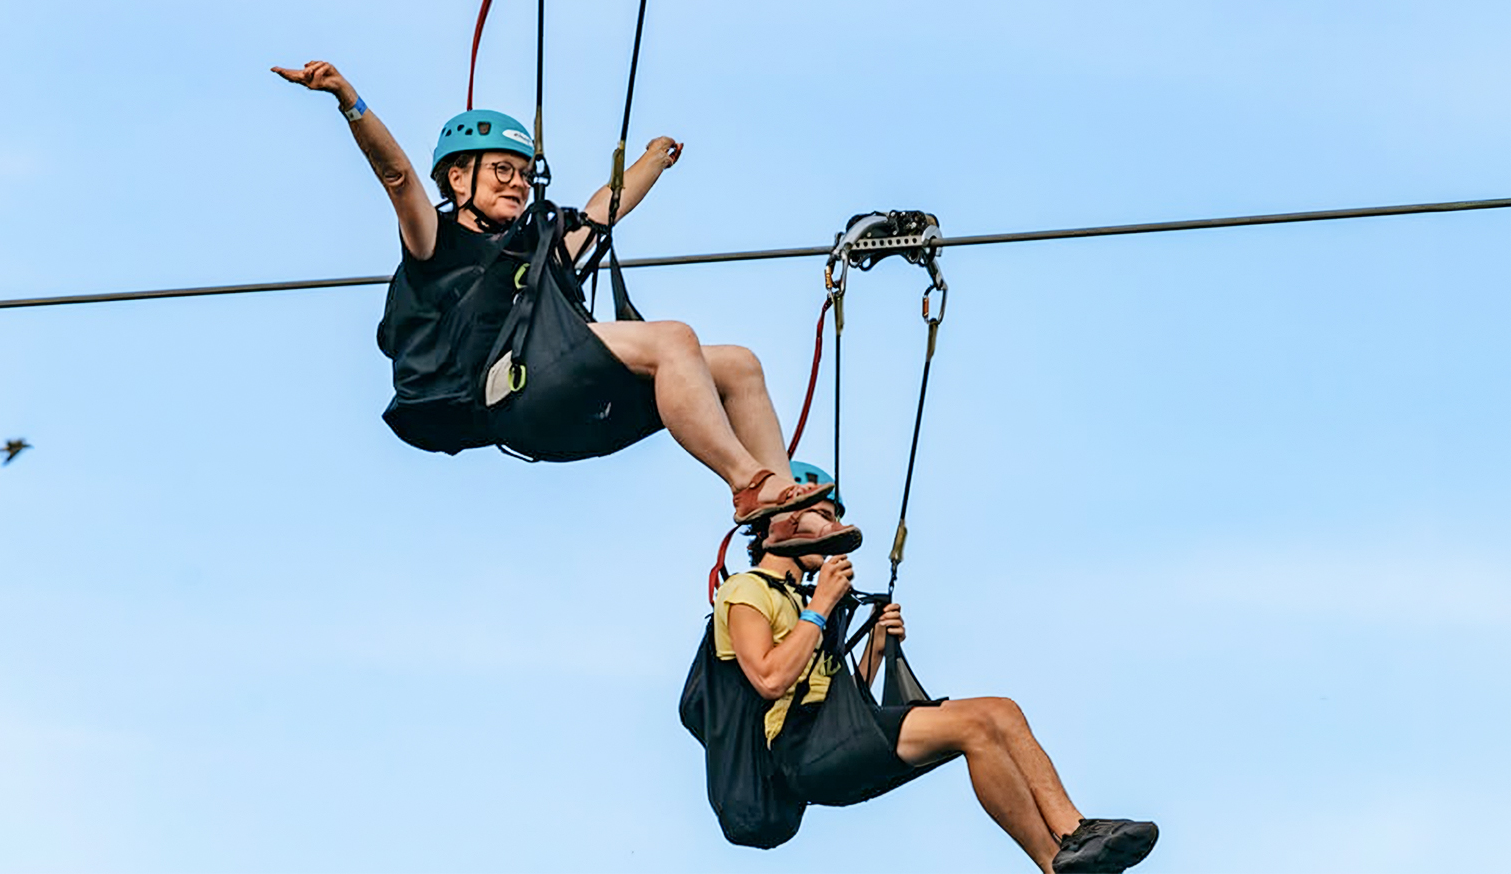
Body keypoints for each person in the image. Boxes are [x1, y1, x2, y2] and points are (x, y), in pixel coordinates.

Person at [271, 61, 856, 539]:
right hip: (513, 394)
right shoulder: (436, 244)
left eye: (523, 175)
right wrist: (351, 102)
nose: (516, 184)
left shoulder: (536, 247)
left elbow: (603, 213)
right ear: (457, 180)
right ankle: (745, 481)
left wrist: (653, 159)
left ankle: (787, 518)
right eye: (500, 170)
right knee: (672, 337)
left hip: (565, 405)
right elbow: (398, 177)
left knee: (738, 364)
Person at [715, 463, 1159, 873]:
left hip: (828, 736)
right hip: (799, 752)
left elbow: (833, 693)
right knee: (976, 722)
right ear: (782, 521)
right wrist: (822, 607)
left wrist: (875, 647)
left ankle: (1070, 841)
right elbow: (771, 679)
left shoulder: (803, 599)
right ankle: (1064, 847)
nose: (833, 530)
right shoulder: (747, 590)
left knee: (997, 714)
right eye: (822, 517)